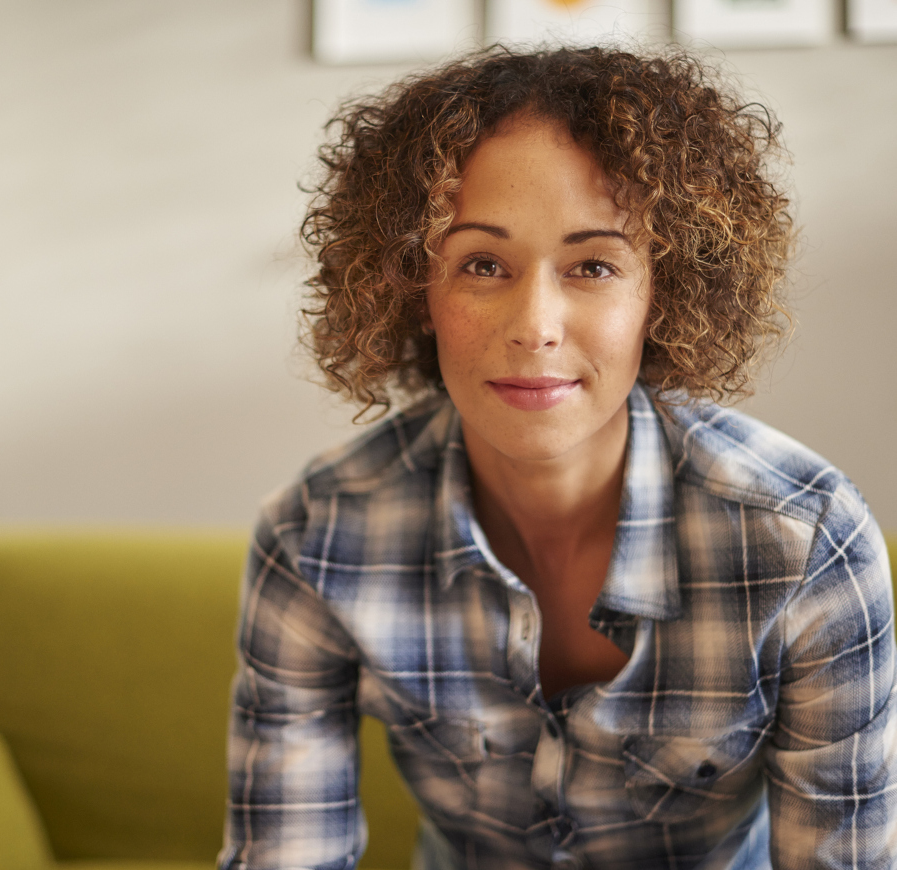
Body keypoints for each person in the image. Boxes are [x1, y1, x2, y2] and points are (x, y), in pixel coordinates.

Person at [217, 45, 896, 870]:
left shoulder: (807, 544)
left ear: (663, 295)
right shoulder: (314, 536)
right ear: (413, 287)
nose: (535, 323)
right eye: (482, 264)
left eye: (594, 266)